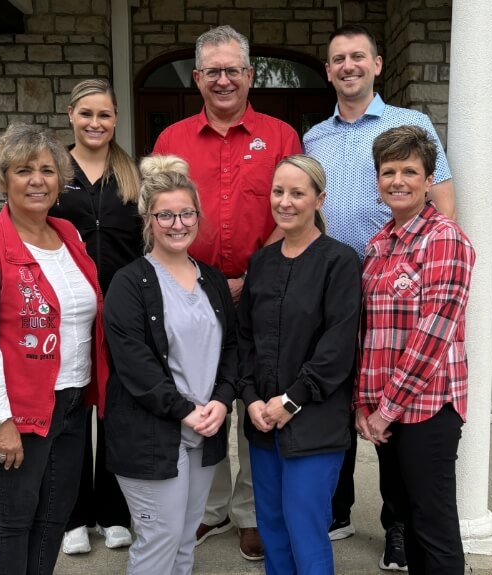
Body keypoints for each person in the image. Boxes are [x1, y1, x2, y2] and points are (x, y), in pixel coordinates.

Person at [303, 24, 456, 571]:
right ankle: (338, 508)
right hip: (334, 285)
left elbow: (441, 203)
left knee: (396, 401)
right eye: (338, 58)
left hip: (397, 280)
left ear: (377, 64)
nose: (348, 65)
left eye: (357, 57)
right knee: (340, 394)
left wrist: (428, 268)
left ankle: (396, 526)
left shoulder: (409, 125)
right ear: (328, 70)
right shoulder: (314, 137)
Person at [153, 24, 301, 561]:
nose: (222, 80)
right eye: (212, 71)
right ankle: (210, 507)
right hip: (190, 289)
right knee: (201, 395)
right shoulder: (172, 140)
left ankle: (249, 511)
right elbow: (160, 215)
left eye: (232, 70)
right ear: (196, 77)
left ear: (249, 75)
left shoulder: (281, 136)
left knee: (256, 397)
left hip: (263, 287)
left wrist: (249, 280)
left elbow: (293, 209)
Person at [0, 124, 109, 575]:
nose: (37, 180)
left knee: (55, 516)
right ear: (4, 179)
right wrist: (0, 422)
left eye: (47, 170)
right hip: (17, 410)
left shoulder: (69, 237)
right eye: (24, 170)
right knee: (17, 519)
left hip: (73, 399)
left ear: (60, 180)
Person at [103, 155, 237, 575]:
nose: (178, 224)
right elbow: (135, 364)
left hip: (205, 431)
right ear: (148, 218)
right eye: (166, 215)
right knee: (158, 541)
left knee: (184, 539)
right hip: (153, 436)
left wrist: (222, 401)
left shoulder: (211, 279)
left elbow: (232, 349)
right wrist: (186, 412)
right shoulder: (129, 283)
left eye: (186, 213)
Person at [355, 125, 475, 575]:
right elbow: (370, 335)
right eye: (388, 171)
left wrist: (386, 409)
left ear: (429, 180)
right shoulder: (379, 244)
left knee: (434, 523)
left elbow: (433, 333)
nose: (398, 180)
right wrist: (365, 405)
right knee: (406, 514)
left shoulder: (443, 238)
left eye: (410, 170)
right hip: (386, 409)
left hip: (428, 407)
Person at [238, 154, 361, 575]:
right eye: (278, 191)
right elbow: (245, 340)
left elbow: (338, 345)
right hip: (262, 423)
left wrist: (290, 401)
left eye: (297, 193)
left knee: (304, 528)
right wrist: (252, 399)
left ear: (319, 199)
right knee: (271, 526)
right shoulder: (260, 263)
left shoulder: (340, 261)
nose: (285, 202)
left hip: (314, 422)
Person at [50, 78, 141, 554]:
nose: (95, 123)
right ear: (71, 115)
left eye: (104, 115)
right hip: (67, 311)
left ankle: (112, 511)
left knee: (115, 412)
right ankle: (72, 516)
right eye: (86, 114)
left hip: (123, 311)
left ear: (115, 119)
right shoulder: (53, 170)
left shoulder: (132, 174)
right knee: (70, 414)